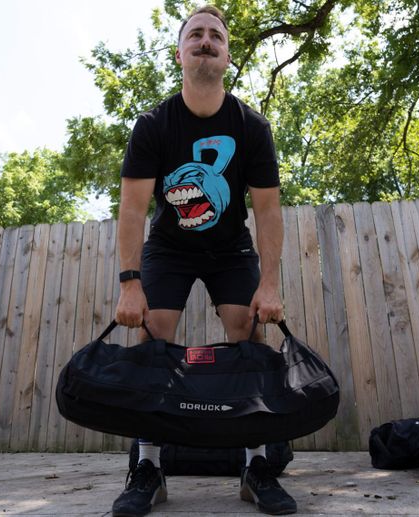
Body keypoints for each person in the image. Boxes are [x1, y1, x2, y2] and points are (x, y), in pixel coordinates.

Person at [111, 5, 296, 516]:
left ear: (228, 56)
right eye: (196, 34)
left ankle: (255, 466)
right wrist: (130, 282)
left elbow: (268, 210)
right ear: (180, 53)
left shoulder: (252, 127)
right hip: (169, 246)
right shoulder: (152, 125)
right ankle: (148, 466)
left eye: (216, 35)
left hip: (230, 247)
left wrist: (271, 283)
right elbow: (131, 209)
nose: (206, 41)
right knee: (154, 335)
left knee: (248, 334)